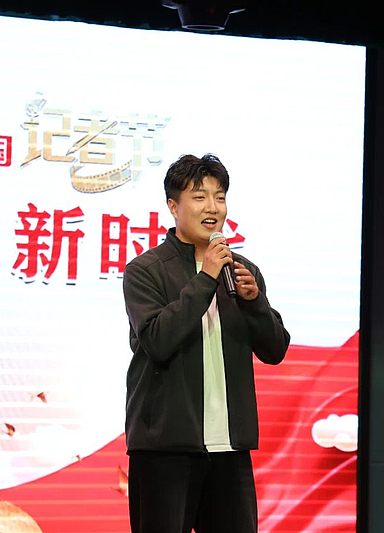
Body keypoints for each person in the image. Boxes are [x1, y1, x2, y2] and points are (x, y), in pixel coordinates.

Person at [122, 153, 290, 532]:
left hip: (230, 449)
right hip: (165, 449)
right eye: (199, 197)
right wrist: (206, 277)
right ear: (173, 206)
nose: (212, 207)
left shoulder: (242, 271)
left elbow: (275, 350)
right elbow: (158, 340)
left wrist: (254, 302)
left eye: (220, 197)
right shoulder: (145, 271)